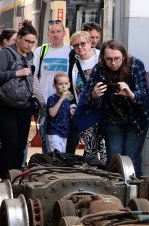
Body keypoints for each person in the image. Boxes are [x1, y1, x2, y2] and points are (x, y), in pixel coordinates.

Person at [76, 39, 149, 174]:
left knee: (131, 157)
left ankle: (134, 192)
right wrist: (94, 95)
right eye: (109, 59)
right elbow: (87, 100)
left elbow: (144, 96)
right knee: (113, 158)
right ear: (103, 58)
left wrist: (130, 93)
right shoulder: (99, 69)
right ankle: (114, 190)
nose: (113, 63)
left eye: (117, 59)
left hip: (136, 119)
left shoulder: (135, 65)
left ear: (124, 56)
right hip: (112, 119)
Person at [0, 20, 38, 179]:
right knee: (9, 143)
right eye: (27, 41)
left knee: (20, 144)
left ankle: (17, 178)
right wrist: (16, 73)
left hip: (23, 106)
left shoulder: (30, 55)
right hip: (3, 106)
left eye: (33, 42)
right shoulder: (5, 53)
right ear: (18, 38)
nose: (29, 45)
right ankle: (6, 179)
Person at [33, 19, 73, 153]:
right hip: (45, 103)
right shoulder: (41, 51)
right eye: (52, 32)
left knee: (65, 138)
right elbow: (34, 76)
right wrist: (40, 99)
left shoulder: (71, 51)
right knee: (45, 138)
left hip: (66, 103)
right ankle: (47, 168)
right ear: (48, 34)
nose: (56, 35)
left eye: (58, 31)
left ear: (64, 33)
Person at [67, 30, 103, 160]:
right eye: (75, 46)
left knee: (104, 148)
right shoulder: (74, 64)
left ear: (90, 43)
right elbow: (70, 88)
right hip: (86, 110)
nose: (79, 47)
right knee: (90, 147)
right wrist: (72, 105)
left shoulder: (100, 58)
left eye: (82, 43)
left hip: (102, 110)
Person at [44, 73, 75, 153]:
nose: (64, 86)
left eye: (66, 83)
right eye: (60, 84)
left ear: (69, 84)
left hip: (64, 133)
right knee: (56, 158)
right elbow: (52, 114)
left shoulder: (69, 99)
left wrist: (72, 110)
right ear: (54, 86)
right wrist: (61, 98)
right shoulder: (52, 98)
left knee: (61, 158)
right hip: (54, 133)